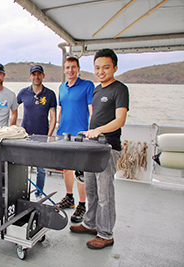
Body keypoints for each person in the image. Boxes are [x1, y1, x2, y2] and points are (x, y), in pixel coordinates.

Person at [70, 48, 129, 250]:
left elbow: (119, 120)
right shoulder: (97, 89)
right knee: (91, 190)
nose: (101, 71)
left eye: (106, 67)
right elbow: (96, 116)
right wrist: (90, 133)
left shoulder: (120, 89)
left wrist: (96, 131)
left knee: (105, 194)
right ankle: (90, 223)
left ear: (115, 68)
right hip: (92, 147)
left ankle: (105, 234)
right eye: (97, 67)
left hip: (107, 147)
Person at [55, 57, 94, 223]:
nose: (70, 70)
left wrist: (91, 131)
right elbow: (61, 109)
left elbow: (92, 111)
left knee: (80, 172)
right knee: (67, 169)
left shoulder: (87, 86)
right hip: (64, 133)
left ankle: (82, 204)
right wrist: (57, 129)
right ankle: (69, 198)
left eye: (73, 67)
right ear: (64, 70)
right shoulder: (61, 88)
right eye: (67, 67)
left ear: (78, 69)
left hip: (81, 135)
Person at [16, 65, 57, 200]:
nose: (36, 77)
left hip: (42, 136)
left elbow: (53, 117)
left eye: (39, 74)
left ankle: (38, 194)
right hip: (25, 136)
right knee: (22, 166)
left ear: (43, 76)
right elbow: (13, 109)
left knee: (41, 169)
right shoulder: (23, 93)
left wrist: (49, 135)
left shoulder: (50, 94)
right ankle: (22, 192)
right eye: (34, 74)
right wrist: (13, 129)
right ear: (30, 77)